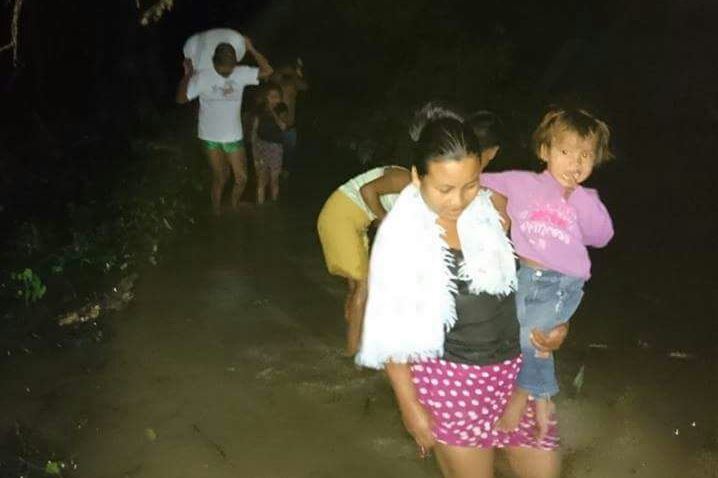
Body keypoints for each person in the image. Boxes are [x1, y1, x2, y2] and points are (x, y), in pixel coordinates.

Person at [356, 107, 566, 478]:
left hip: (519, 372)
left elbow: (541, 279)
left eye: (470, 184)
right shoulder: (401, 236)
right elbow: (389, 330)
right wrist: (410, 407)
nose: (459, 200)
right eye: (445, 188)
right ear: (418, 176)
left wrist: (555, 326)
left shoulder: (492, 210)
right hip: (453, 381)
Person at [481, 107, 614, 439]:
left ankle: (521, 397)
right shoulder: (521, 182)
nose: (575, 162)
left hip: (561, 281)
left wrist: (578, 202)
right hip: (525, 275)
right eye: (566, 151)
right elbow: (475, 178)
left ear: (595, 160)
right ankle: (543, 401)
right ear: (545, 151)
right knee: (531, 340)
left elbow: (602, 237)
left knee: (532, 337)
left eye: (585, 155)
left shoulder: (588, 198)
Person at [316, 164, 411, 356]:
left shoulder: (416, 194)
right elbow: (366, 191)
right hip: (341, 218)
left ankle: (356, 337)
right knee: (363, 286)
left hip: (352, 220)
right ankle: (352, 351)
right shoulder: (406, 180)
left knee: (356, 287)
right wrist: (386, 219)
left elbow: (376, 213)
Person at [176, 38, 273, 215]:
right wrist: (188, 75)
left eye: (230, 67)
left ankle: (233, 206)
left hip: (233, 136)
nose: (227, 72)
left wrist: (251, 48)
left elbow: (268, 71)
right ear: (214, 63)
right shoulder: (203, 77)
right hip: (209, 136)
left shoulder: (241, 73)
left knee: (241, 178)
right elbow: (181, 99)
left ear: (235, 63)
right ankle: (216, 213)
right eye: (223, 69)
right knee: (221, 177)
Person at [271, 58, 308, 178]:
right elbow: (272, 77)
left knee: (287, 160)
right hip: (273, 125)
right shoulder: (277, 81)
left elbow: (305, 86)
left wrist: (295, 73)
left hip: (289, 127)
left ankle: (284, 184)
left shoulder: (294, 83)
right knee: (272, 158)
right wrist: (284, 70)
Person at [251, 83, 287, 204]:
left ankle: (274, 204)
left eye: (276, 96)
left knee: (274, 178)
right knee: (261, 178)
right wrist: (254, 147)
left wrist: (273, 112)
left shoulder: (282, 109)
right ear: (266, 97)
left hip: (276, 147)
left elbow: (283, 126)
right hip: (260, 146)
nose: (273, 99)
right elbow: (255, 129)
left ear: (281, 98)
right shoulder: (260, 109)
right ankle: (260, 205)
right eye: (271, 96)